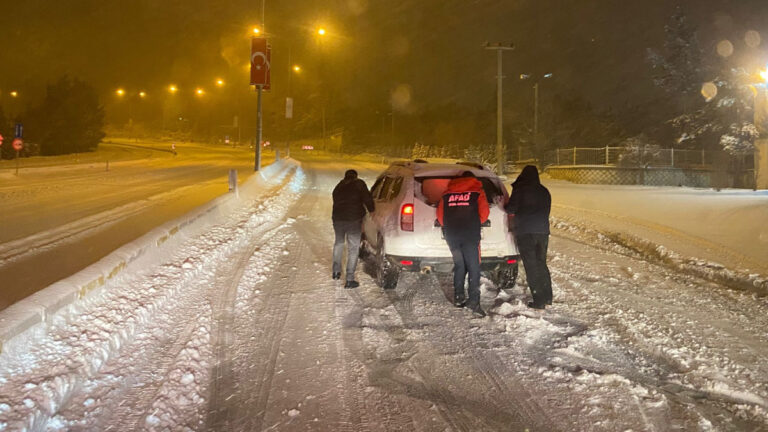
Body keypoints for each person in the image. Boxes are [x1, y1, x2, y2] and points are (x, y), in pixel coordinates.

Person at [437, 171, 490, 317]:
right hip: (470, 234)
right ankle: (474, 301)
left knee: (460, 265)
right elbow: (484, 214)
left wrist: (453, 225)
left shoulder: (447, 194)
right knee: (474, 267)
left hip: (452, 235)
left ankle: (458, 298)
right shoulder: (477, 192)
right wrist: (471, 222)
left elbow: (440, 217)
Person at [505, 165, 552, 310]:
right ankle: (547, 296)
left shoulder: (520, 189)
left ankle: (538, 300)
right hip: (543, 232)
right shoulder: (544, 191)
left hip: (526, 231)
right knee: (541, 263)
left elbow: (510, 208)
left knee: (531, 266)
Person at [332, 169, 375, 288]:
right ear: (355, 176)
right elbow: (367, 198)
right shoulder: (359, 184)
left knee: (339, 244)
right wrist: (372, 210)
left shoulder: (339, 186)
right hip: (353, 221)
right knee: (353, 248)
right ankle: (349, 279)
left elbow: (335, 200)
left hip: (338, 219)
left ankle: (336, 272)